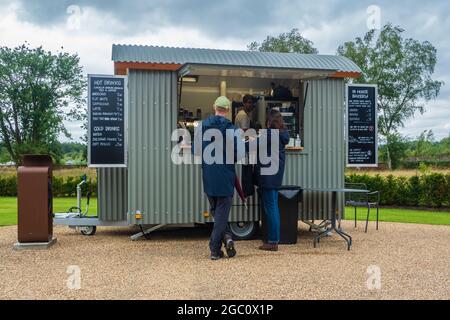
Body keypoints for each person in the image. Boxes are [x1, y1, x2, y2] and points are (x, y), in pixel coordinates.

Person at [194, 96, 240, 260]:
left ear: (214, 107)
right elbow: (238, 155)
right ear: (228, 110)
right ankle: (214, 249)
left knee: (217, 211)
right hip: (225, 176)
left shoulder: (201, 126)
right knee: (221, 212)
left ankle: (227, 237)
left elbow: (197, 151)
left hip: (208, 176)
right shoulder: (231, 128)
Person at [254, 109, 290, 251]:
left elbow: (251, 146)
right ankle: (273, 239)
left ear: (269, 122)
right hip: (275, 175)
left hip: (268, 176)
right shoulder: (282, 134)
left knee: (271, 209)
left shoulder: (270, 134)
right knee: (273, 207)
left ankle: (273, 241)